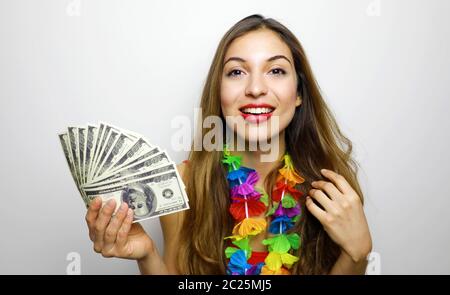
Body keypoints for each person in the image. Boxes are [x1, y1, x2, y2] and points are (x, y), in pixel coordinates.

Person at [85, 14, 372, 275]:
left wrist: (356, 255)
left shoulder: (332, 189)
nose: (256, 88)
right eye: (237, 72)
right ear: (219, 91)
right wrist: (147, 256)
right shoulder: (184, 183)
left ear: (299, 93)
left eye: (276, 71)